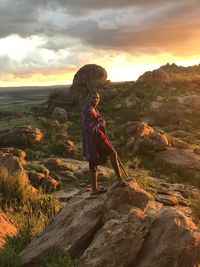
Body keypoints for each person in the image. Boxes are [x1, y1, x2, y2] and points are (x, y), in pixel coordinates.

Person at [81, 90, 127, 195]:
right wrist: (99, 121)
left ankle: (95, 189)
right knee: (109, 154)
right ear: (89, 98)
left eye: (97, 98)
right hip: (92, 139)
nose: (96, 100)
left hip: (98, 137)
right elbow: (88, 127)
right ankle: (118, 180)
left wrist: (99, 121)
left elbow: (98, 122)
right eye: (93, 98)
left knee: (101, 159)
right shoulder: (86, 111)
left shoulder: (94, 109)